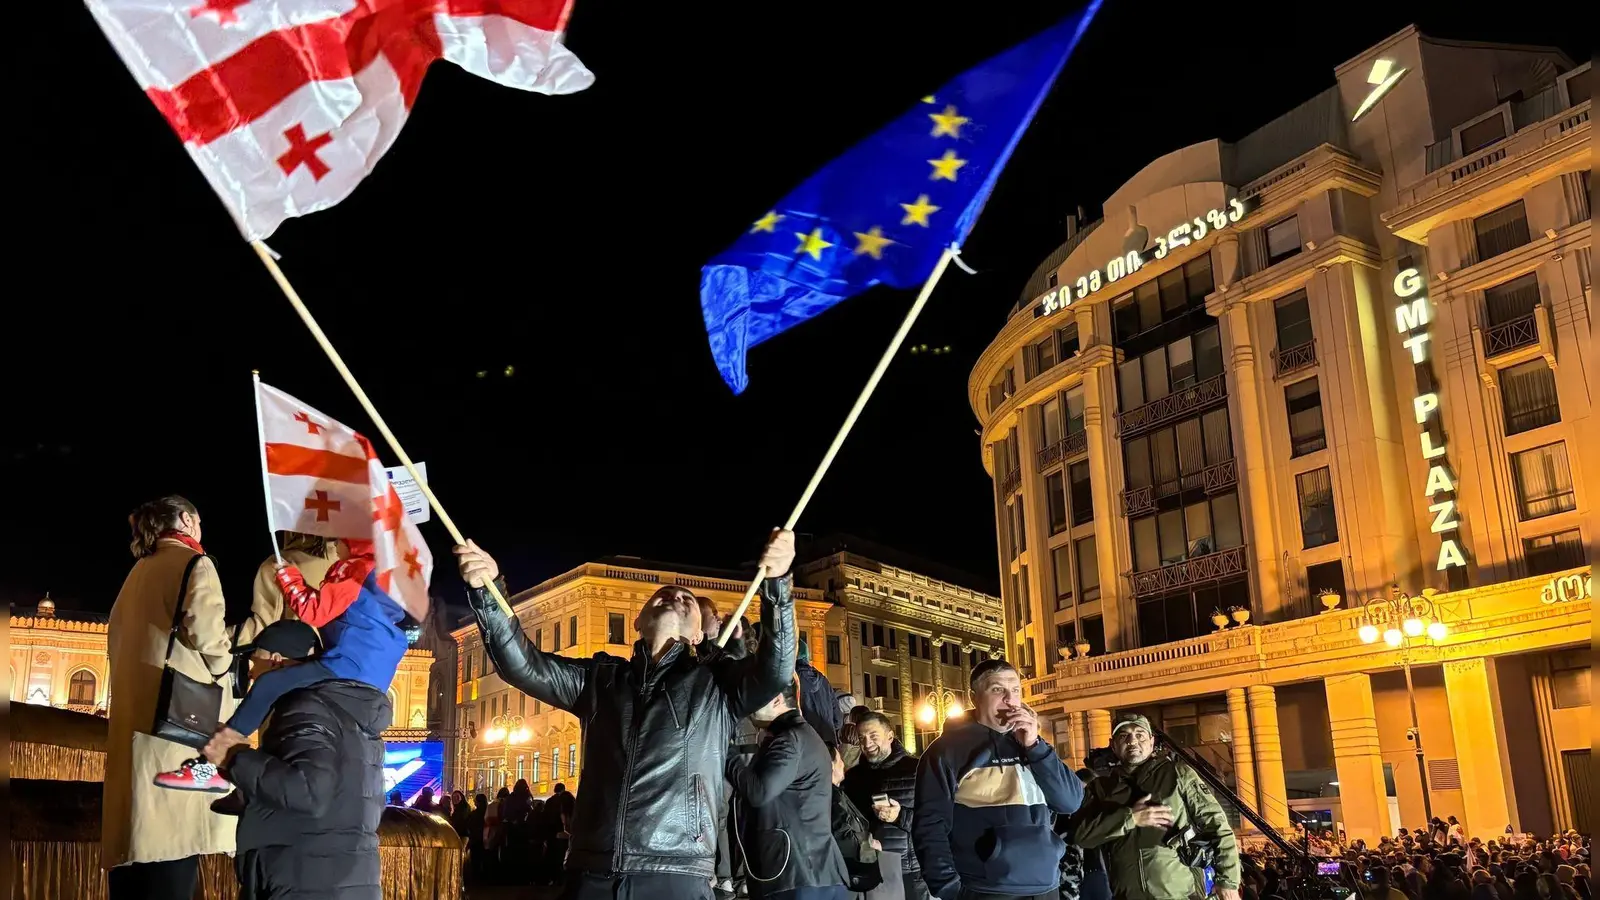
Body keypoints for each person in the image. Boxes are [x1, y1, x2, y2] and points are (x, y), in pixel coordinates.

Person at [454, 528, 798, 900]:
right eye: (663, 594)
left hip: (675, 869)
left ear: (699, 635)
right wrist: (488, 595)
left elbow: (776, 669)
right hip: (593, 868)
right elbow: (524, 666)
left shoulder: (715, 681)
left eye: (688, 599)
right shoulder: (601, 679)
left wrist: (778, 585)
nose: (676, 593)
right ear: (638, 621)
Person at [156, 539, 421, 793]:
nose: (337, 545)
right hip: (369, 675)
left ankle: (215, 760)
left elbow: (313, 611)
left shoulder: (355, 573)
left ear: (355, 544)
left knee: (270, 684)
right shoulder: (381, 581)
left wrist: (287, 577)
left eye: (342, 540)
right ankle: (242, 785)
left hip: (346, 664)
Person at [103, 496, 238, 900]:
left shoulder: (137, 572)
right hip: (177, 725)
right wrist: (223, 668)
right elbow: (209, 637)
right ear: (185, 520)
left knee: (138, 843)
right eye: (197, 520)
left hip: (135, 723)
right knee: (174, 844)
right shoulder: (195, 564)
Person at [206, 619, 391, 900]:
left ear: (276, 662)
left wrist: (235, 757)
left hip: (306, 880)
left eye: (255, 663)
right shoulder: (343, 711)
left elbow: (309, 792)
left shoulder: (305, 707)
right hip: (337, 879)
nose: (253, 674)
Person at [914, 658, 1083, 900]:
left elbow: (1070, 802)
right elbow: (930, 825)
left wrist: (1035, 746)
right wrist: (949, 889)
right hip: (985, 888)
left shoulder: (1032, 743)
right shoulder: (946, 751)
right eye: (997, 689)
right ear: (975, 697)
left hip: (1045, 885)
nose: (1010, 699)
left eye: (1015, 690)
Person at [1074, 713, 1240, 900]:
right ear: (1113, 745)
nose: (1132, 741)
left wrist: (1228, 882)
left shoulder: (1178, 773)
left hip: (1179, 894)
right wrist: (1131, 818)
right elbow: (1083, 836)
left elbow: (1217, 825)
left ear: (1151, 742)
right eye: (1123, 736)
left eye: (1140, 734)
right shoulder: (1101, 788)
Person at [726, 682, 850, 900]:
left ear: (777, 700)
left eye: (756, 699)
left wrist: (726, 754)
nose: (748, 707)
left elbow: (759, 791)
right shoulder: (801, 735)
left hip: (796, 874)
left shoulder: (791, 739)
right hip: (813, 872)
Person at [842, 711, 924, 900]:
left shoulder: (917, 769)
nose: (867, 743)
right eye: (862, 738)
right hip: (871, 871)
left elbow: (936, 822)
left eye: (873, 736)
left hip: (911, 873)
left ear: (890, 736)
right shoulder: (854, 777)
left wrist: (899, 816)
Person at [828, 745, 884, 897]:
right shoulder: (832, 799)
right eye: (839, 760)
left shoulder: (833, 793)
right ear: (831, 766)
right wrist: (871, 849)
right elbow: (844, 839)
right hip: (846, 879)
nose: (843, 764)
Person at [796, 639, 843, 746]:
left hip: (804, 745)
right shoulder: (823, 680)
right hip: (829, 747)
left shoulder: (790, 681)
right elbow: (838, 720)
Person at [537, 782, 577, 885]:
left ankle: (549, 878)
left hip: (551, 834)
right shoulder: (566, 800)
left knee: (551, 856)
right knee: (560, 857)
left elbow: (544, 818)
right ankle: (558, 880)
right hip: (561, 835)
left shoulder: (550, 801)